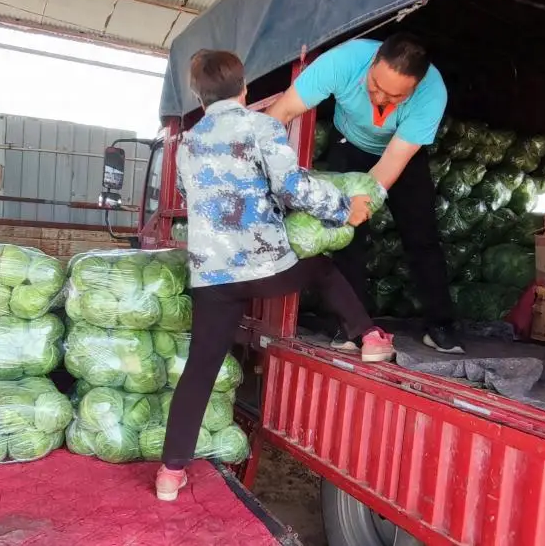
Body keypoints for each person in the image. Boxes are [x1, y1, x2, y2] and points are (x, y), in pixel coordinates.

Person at [157, 50, 395, 501]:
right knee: (322, 268)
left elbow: (192, 194)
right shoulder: (262, 126)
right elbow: (292, 187)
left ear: (198, 95)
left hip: (213, 278)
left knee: (201, 369)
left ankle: (170, 474)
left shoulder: (187, 142)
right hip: (266, 266)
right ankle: (369, 337)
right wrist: (346, 208)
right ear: (244, 89)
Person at [268, 33, 464, 354]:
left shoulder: (432, 94)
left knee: (422, 235)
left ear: (415, 88)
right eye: (375, 86)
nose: (381, 99)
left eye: (396, 96)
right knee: (349, 237)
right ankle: (351, 327)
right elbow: (283, 111)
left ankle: (440, 324)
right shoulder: (342, 62)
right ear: (372, 63)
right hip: (349, 145)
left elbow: (393, 161)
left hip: (398, 154)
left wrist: (359, 201)